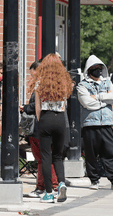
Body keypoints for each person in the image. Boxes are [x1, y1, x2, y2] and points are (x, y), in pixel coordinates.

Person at [77, 55, 113, 190]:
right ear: (88, 69)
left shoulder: (107, 82)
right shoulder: (82, 85)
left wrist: (98, 97)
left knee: (110, 153)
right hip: (90, 124)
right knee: (91, 154)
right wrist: (105, 101)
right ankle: (94, 180)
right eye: (94, 68)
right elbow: (87, 103)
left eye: (99, 68)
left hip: (106, 123)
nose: (97, 70)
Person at [29, 53, 73, 203]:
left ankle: (48, 193)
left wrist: (42, 122)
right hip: (60, 119)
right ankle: (61, 182)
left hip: (46, 118)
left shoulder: (39, 82)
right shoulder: (64, 82)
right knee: (58, 156)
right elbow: (65, 103)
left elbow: (37, 107)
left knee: (46, 157)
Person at [20, 61, 59, 198]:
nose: (32, 77)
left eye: (33, 73)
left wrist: (25, 108)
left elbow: (40, 105)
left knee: (43, 158)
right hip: (46, 126)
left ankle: (46, 187)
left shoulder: (42, 85)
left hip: (41, 127)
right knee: (45, 158)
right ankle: (49, 186)